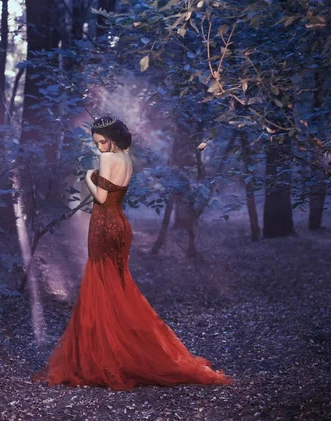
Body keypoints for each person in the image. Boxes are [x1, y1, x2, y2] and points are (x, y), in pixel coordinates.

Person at [32, 116, 232, 390]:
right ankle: (117, 350)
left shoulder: (108, 159)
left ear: (112, 139)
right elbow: (115, 195)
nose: (99, 147)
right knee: (117, 286)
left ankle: (106, 356)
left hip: (104, 225)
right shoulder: (126, 159)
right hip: (120, 224)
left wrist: (89, 178)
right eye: (96, 143)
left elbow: (101, 198)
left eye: (102, 142)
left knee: (102, 286)